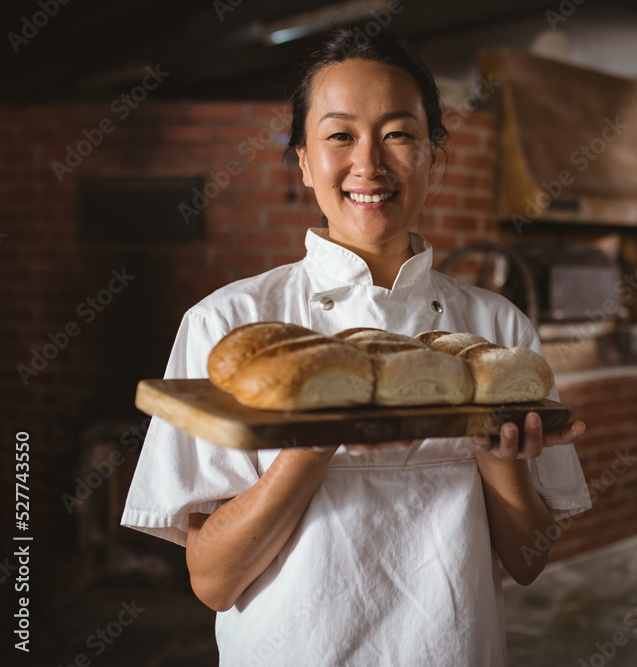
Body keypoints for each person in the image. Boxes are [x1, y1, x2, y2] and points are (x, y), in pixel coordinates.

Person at [121, 27, 591, 666]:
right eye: (340, 135)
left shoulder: (499, 332)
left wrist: (499, 456)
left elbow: (529, 564)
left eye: (399, 134)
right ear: (305, 163)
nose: (369, 163)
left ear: (433, 156)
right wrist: (310, 444)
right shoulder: (226, 324)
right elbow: (213, 581)